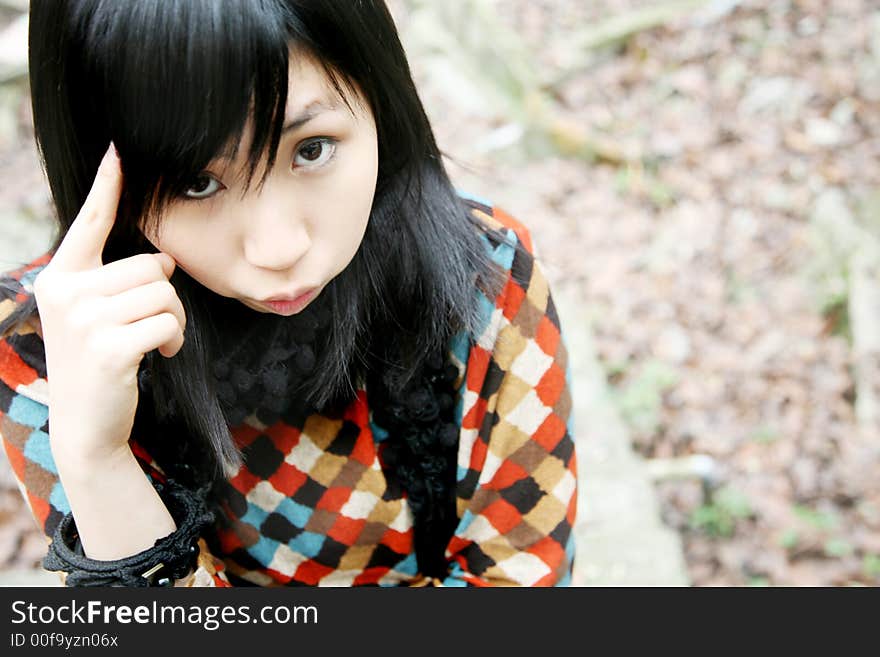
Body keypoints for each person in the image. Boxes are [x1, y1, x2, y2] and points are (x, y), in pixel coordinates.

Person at [0, 0, 577, 587]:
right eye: (196, 182)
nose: (278, 248)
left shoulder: (483, 278)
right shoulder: (54, 349)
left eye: (312, 148)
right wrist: (99, 463)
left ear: (383, 104)